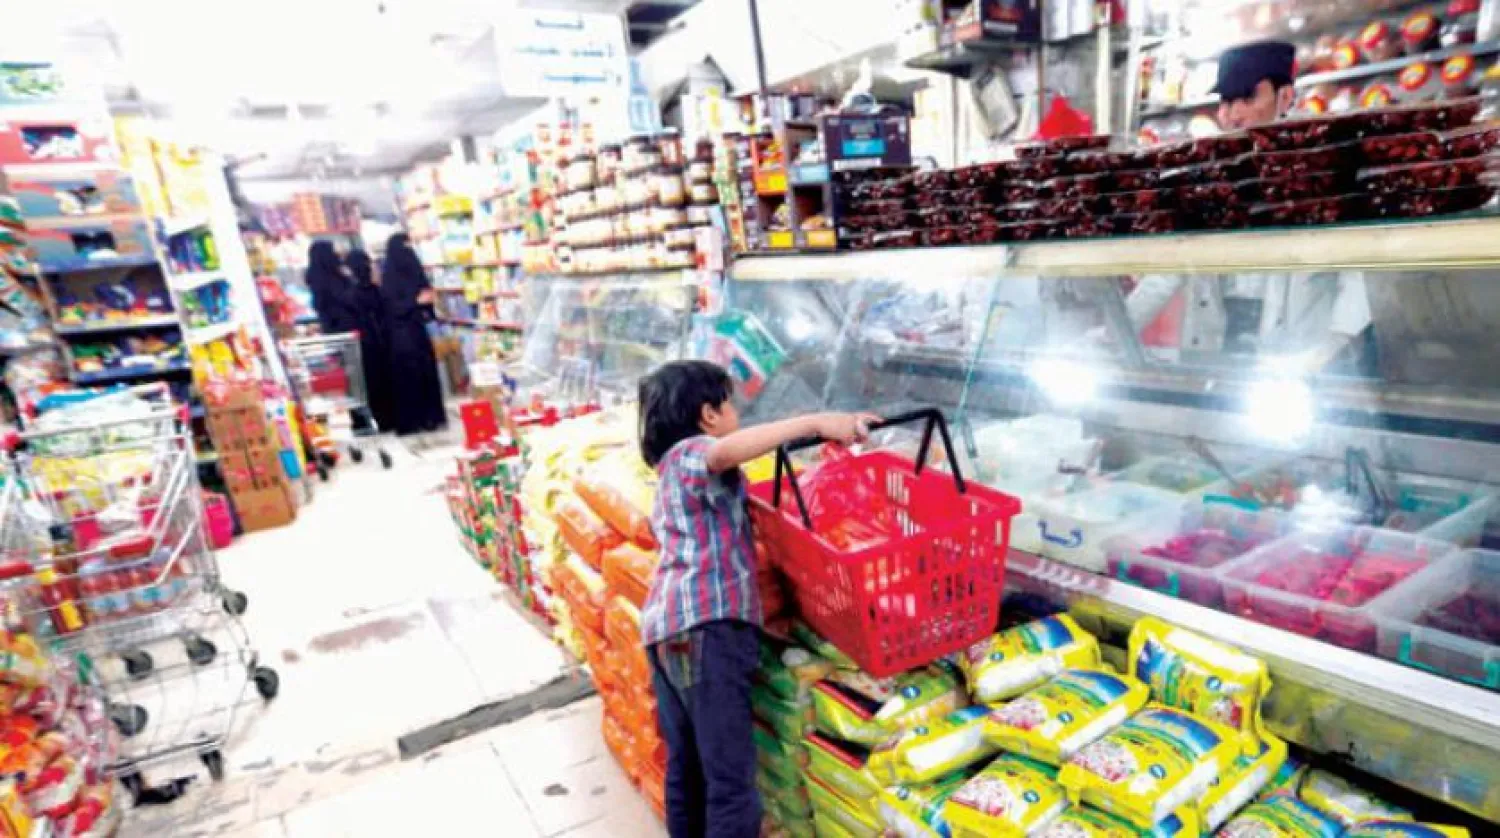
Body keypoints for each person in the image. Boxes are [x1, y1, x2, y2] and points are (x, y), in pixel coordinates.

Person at [637, 359, 878, 838]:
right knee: (730, 780)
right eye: (729, 403)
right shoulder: (692, 454)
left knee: (688, 769)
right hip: (706, 632)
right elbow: (723, 453)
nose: (735, 412)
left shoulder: (666, 475)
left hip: (669, 633)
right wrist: (816, 422)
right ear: (708, 414)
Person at [1121, 40, 1372, 374]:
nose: (1233, 113)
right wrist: (1117, 331)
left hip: (1301, 358)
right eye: (1226, 101)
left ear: (1285, 97)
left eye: (1248, 98)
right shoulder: (1209, 175)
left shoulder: (1323, 169)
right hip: (1215, 346)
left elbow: (1360, 266)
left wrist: (1335, 344)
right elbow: (1171, 266)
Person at [379, 233, 447, 434]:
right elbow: (391, 306)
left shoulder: (413, 271)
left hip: (417, 331)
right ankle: (414, 420)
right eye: (405, 247)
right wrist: (415, 302)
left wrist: (429, 302)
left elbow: (425, 297)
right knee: (409, 376)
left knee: (425, 373)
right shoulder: (390, 277)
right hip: (400, 334)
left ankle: (430, 418)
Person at [344, 249, 398, 434]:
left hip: (365, 345)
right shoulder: (377, 290)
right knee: (390, 378)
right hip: (385, 341)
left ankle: (383, 420)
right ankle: (395, 415)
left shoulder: (350, 294)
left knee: (373, 383)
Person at [304, 241, 358, 335]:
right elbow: (347, 298)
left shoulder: (315, 278)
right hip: (347, 325)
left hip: (329, 326)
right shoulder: (334, 278)